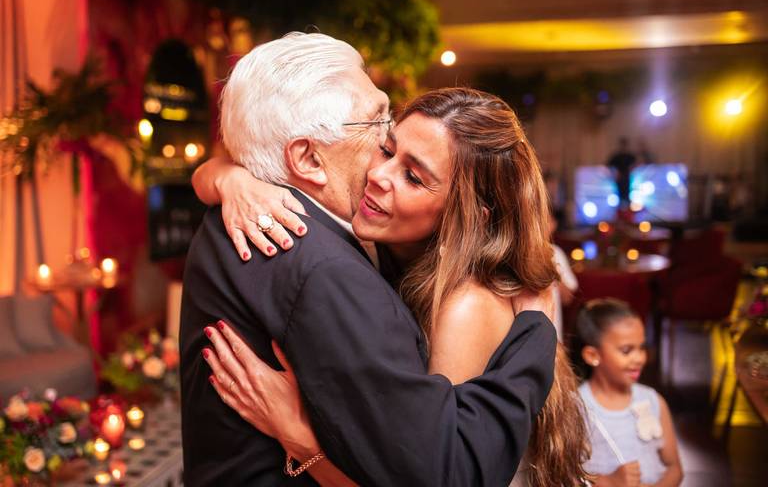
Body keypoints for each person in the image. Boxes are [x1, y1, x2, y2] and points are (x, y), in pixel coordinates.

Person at [180, 32, 559, 487]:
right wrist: (226, 176)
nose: (382, 162)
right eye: (379, 126)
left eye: (412, 174)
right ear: (308, 158)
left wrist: (300, 438)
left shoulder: (243, 222)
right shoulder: (323, 265)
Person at [575, 299, 683, 487]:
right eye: (626, 351)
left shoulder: (653, 401)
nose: (639, 358)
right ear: (593, 356)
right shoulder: (576, 406)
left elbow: (674, 468)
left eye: (642, 347)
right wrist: (608, 482)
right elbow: (564, 475)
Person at [549, 207, 578, 341]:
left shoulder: (555, 253)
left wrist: (552, 274)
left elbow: (568, 299)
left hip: (552, 331)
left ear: (553, 224)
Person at [607, 137, 636, 207]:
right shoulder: (617, 156)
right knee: (619, 192)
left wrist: (631, 170)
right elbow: (609, 165)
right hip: (620, 177)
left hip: (627, 177)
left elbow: (636, 163)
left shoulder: (629, 156)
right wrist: (615, 173)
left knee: (628, 192)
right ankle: (620, 207)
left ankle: (628, 207)